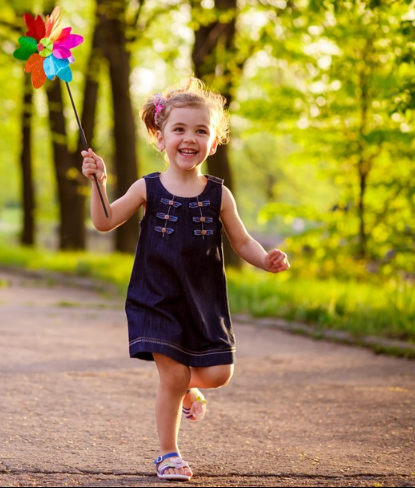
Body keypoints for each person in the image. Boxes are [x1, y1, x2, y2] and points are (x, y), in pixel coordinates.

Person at [81, 78, 290, 481]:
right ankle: (168, 454)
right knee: (174, 374)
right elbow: (105, 221)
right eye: (179, 129)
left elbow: (242, 241)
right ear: (161, 138)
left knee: (219, 373)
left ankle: (182, 388)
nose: (189, 138)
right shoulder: (148, 188)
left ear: (214, 143)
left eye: (201, 131)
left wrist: (266, 260)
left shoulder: (218, 195)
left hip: (203, 301)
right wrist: (99, 182)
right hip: (155, 298)